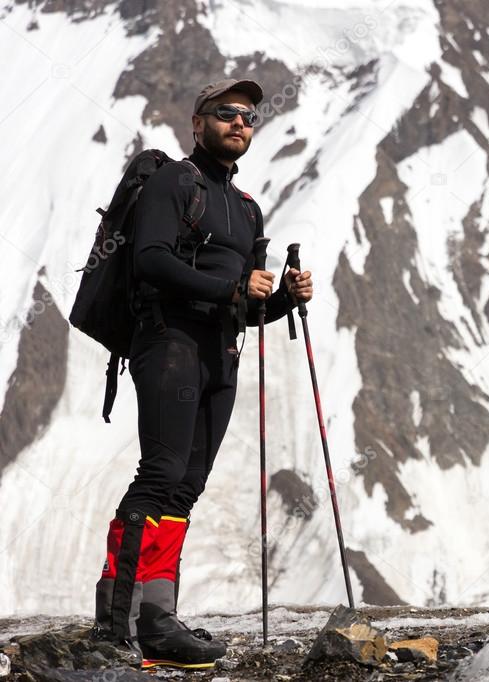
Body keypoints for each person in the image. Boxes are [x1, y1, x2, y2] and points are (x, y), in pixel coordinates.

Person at [91, 79, 314, 668]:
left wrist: (284, 298)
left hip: (220, 348)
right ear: (198, 122)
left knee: (184, 487)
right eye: (226, 113)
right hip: (169, 339)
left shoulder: (246, 209)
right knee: (161, 472)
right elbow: (151, 259)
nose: (240, 122)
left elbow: (249, 303)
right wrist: (232, 287)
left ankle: (157, 620)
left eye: (248, 116)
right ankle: (116, 623)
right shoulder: (174, 181)